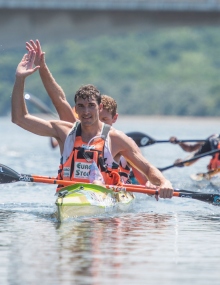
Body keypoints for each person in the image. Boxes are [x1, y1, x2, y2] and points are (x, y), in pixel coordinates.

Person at [11, 49, 173, 199]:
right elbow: (20, 118)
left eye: (91, 106)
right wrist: (20, 78)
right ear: (76, 109)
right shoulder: (65, 131)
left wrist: (165, 183)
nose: (86, 112)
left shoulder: (116, 139)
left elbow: (147, 169)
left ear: (99, 107)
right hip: (69, 199)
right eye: (81, 106)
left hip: (105, 203)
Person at [25, 39, 151, 185]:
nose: (98, 122)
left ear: (113, 119)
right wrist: (41, 66)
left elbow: (144, 176)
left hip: (109, 192)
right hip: (74, 193)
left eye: (105, 120)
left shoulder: (118, 141)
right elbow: (59, 100)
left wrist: (151, 184)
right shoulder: (76, 130)